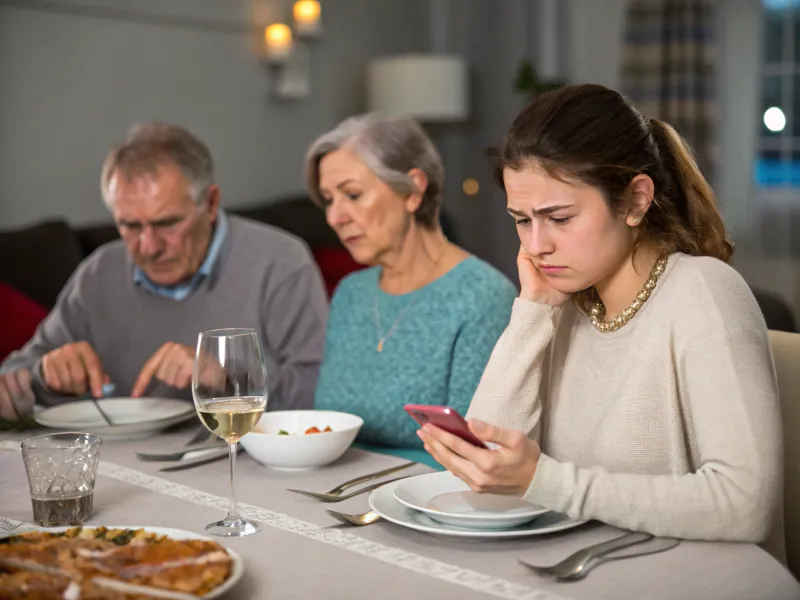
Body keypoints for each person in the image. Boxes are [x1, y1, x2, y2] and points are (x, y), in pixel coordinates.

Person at [418, 84, 784, 553]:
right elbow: (485, 473)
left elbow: (745, 505)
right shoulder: (563, 300)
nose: (536, 245)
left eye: (559, 218)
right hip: (586, 567)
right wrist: (533, 311)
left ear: (635, 200)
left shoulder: (704, 293)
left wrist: (544, 480)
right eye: (521, 219)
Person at [0, 122, 328, 418]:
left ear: (211, 203)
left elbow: (323, 394)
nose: (148, 247)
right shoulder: (100, 272)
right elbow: (12, 379)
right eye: (129, 226)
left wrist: (222, 378)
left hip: (238, 463)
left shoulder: (281, 263)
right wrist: (44, 375)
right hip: (123, 466)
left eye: (166, 223)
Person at [306, 114, 517, 461]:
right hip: (335, 488)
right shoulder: (351, 293)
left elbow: (470, 451)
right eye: (329, 199)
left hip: (427, 499)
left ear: (413, 190)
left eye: (353, 195)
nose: (334, 217)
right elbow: (327, 426)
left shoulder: (483, 297)